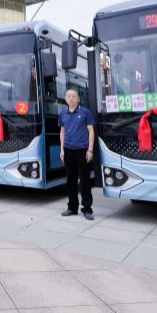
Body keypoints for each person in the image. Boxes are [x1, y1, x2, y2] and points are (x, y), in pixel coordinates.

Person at [59, 88, 96, 221]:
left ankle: (87, 209)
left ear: (78, 99)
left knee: (85, 180)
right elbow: (62, 131)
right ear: (65, 99)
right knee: (71, 180)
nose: (71, 98)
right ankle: (72, 207)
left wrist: (90, 150)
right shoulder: (63, 113)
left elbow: (91, 131)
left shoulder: (85, 112)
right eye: (68, 96)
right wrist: (62, 149)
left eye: (74, 96)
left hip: (83, 150)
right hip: (68, 150)